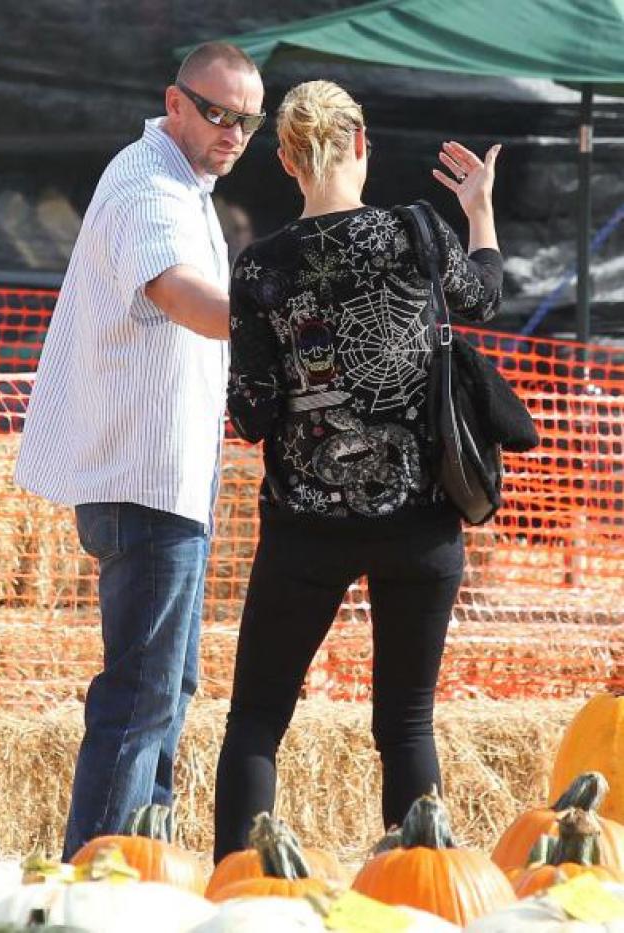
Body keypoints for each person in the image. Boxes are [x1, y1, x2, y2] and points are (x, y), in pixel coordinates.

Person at [213, 80, 503, 861]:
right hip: (422, 523)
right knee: (405, 721)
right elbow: (483, 299)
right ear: (362, 143)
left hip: (305, 527)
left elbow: (251, 417)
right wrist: (478, 208)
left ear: (285, 161)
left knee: (257, 721)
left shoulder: (260, 267)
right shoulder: (418, 229)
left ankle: (237, 886)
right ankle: (417, 884)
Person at [13, 42, 265, 859]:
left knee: (164, 689)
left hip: (162, 483)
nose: (232, 132)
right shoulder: (148, 185)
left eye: (248, 120)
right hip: (144, 484)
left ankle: (136, 864)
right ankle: (100, 873)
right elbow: (178, 293)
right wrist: (283, 319)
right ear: (175, 101)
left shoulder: (183, 184)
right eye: (217, 112)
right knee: (140, 697)